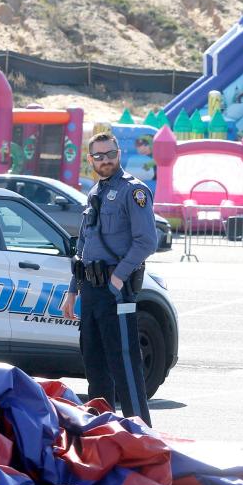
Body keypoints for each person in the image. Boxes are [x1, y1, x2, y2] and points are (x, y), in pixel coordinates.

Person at [61, 132, 157, 425]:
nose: (105, 160)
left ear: (119, 154)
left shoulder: (134, 191)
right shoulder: (95, 192)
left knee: (125, 365)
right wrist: (73, 290)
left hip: (117, 292)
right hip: (91, 291)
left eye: (110, 154)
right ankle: (103, 433)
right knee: (95, 365)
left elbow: (146, 241)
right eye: (99, 156)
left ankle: (141, 435)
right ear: (90, 160)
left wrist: (118, 277)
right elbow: (84, 246)